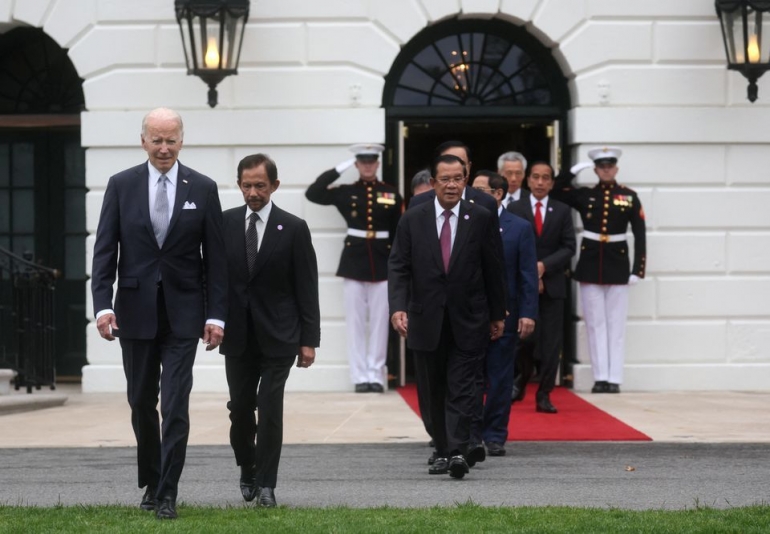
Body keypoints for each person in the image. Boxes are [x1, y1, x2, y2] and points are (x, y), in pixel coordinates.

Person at [91, 107, 227, 520]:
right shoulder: (121, 185)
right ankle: (151, 479)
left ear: (182, 140)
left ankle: (167, 491)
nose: (164, 148)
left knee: (175, 404)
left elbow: (216, 260)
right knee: (140, 402)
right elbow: (104, 252)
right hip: (134, 312)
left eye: (171, 140)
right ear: (143, 140)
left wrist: (216, 315)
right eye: (156, 139)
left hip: (185, 314)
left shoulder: (202, 188)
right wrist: (102, 305)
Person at [389, 154, 506, 479]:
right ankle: (442, 448)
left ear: (465, 180)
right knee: (431, 389)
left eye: (458, 178)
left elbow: (493, 267)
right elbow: (398, 265)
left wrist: (498, 313)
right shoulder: (413, 218)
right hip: (425, 319)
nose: (452, 184)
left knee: (462, 386)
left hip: (469, 318)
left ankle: (456, 450)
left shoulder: (481, 217)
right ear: (434, 182)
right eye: (445, 179)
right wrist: (398, 306)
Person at [220, 153, 320, 508]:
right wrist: (212, 321)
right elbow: (213, 280)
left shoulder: (292, 228)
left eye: (260, 185)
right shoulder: (224, 224)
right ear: (239, 185)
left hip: (279, 335)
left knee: (270, 407)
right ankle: (247, 466)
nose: (253, 192)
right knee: (241, 410)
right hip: (237, 336)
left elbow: (306, 287)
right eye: (246, 185)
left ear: (274, 186)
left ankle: (266, 485)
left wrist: (309, 340)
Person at [305, 144, 402, 393]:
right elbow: (313, 193)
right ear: (357, 164)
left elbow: (399, 230)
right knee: (356, 323)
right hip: (354, 261)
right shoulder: (346, 192)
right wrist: (342, 167)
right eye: (363, 162)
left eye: (371, 161)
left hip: (383, 261)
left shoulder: (391, 193)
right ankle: (360, 376)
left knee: (381, 322)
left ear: (377, 164)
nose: (368, 165)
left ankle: (376, 375)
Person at [553, 147, 646, 394]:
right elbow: (556, 190)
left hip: (618, 264)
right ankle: (600, 377)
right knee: (595, 324)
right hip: (591, 263)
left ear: (616, 168)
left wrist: (638, 269)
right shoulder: (585, 196)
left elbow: (640, 234)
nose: (606, 170)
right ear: (595, 170)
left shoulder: (629, 196)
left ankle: (614, 378)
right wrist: (571, 171)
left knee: (616, 324)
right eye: (601, 167)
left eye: (610, 166)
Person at [469, 171, 538, 457]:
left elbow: (527, 275)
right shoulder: (465, 221)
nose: (472, 195)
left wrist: (528, 313)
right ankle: (469, 435)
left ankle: (495, 434)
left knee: (499, 377)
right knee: (470, 377)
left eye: (480, 190)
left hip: (505, 314)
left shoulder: (519, 227)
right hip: (471, 314)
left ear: (498, 194)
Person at [508, 161, 575, 414]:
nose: (539, 182)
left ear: (551, 183)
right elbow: (511, 243)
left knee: (551, 343)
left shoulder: (562, 210)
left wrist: (543, 266)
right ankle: (521, 380)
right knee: (524, 340)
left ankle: (544, 393)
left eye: (545, 178)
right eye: (535, 177)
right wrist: (528, 271)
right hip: (523, 287)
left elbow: (569, 247)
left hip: (553, 286)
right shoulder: (515, 208)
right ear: (528, 180)